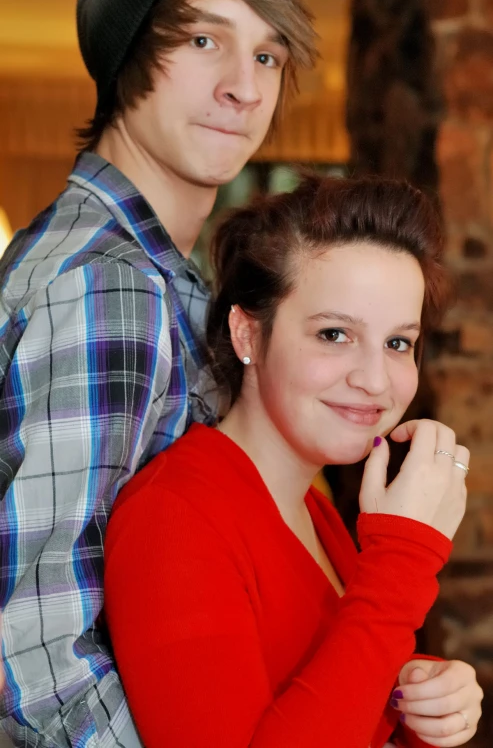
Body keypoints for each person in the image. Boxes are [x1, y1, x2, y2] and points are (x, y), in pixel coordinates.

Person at [0, 0, 317, 745]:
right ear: (126, 59)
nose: (243, 86)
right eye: (205, 37)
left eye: (266, 55)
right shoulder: (105, 285)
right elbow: (40, 656)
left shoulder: (164, 276)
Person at [104, 175, 483, 748]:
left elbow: (333, 699)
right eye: (334, 334)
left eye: (399, 342)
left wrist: (419, 697)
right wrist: (403, 562)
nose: (375, 379)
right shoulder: (174, 518)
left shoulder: (315, 510)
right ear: (248, 334)